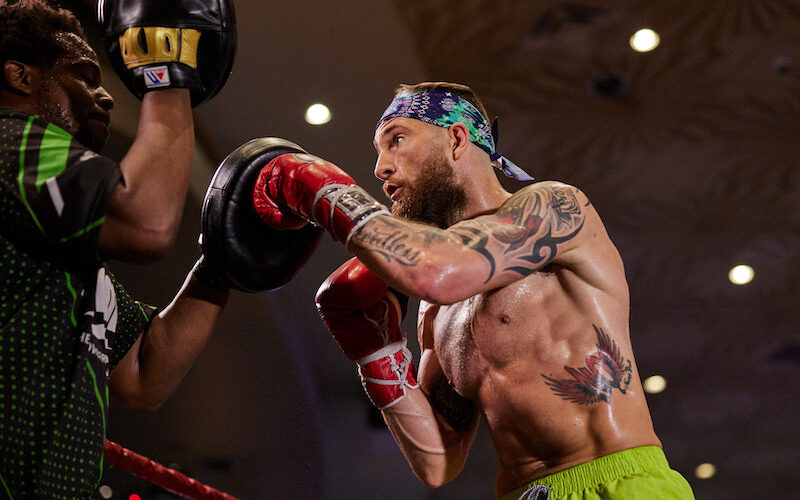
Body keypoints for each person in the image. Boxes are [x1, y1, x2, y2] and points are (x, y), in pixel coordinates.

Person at [254, 82, 696, 499]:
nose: (380, 167)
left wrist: (327, 194)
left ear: (456, 139)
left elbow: (437, 268)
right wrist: (376, 354)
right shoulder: (435, 308)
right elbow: (437, 461)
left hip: (615, 483)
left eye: (397, 139)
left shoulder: (554, 209)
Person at [0, 1, 234, 497]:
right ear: (20, 77)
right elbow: (147, 224)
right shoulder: (6, 142)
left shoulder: (64, 254)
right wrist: (166, 75)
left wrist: (227, 259)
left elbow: (146, 374)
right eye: (85, 76)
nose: (106, 96)